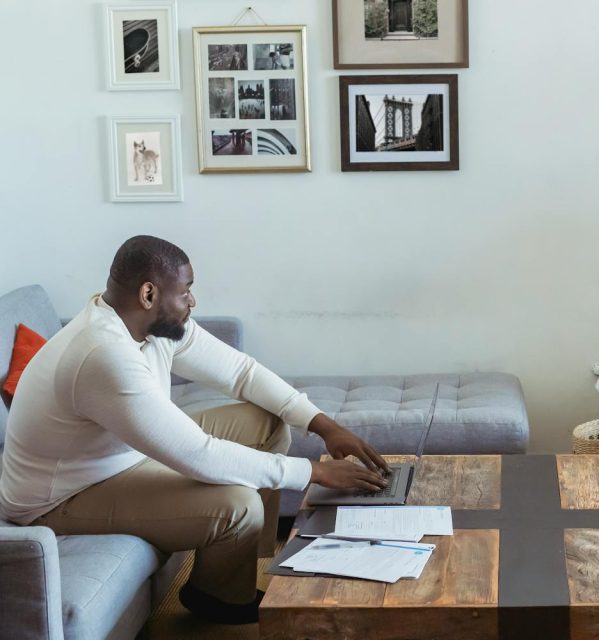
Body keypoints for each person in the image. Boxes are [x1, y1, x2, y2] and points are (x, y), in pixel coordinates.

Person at [0, 236, 391, 624]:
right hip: (59, 498)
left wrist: (325, 425)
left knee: (267, 423)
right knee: (238, 506)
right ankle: (218, 599)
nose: (193, 302)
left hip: (118, 454)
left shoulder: (153, 326)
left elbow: (241, 373)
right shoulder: (103, 354)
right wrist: (314, 472)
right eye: (186, 291)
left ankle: (239, 569)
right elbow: (198, 455)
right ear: (149, 294)